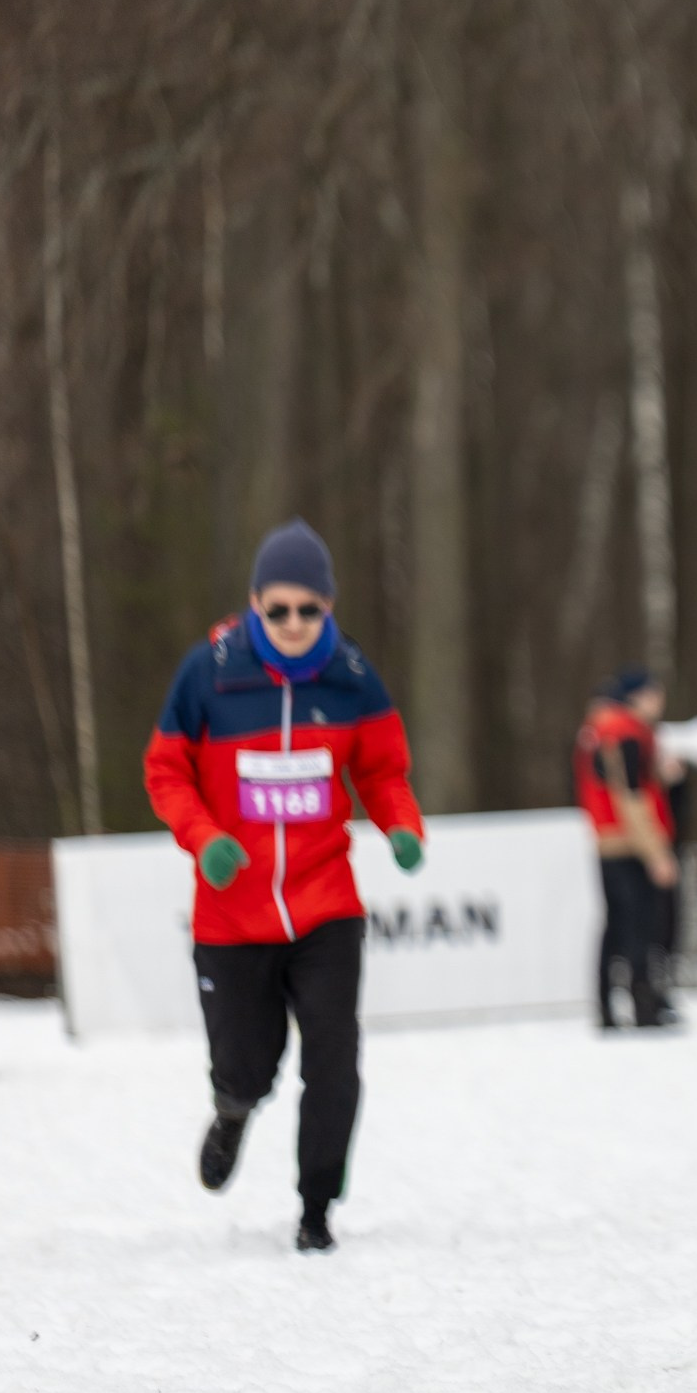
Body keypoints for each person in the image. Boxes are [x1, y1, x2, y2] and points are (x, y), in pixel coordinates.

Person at [144, 521, 425, 1254]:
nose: (295, 623)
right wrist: (206, 841)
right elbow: (166, 771)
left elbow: (383, 770)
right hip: (232, 918)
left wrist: (400, 825)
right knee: (248, 1064)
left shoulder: (354, 679)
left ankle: (315, 1208)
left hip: (325, 903)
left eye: (311, 609)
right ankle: (234, 1109)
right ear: (254, 605)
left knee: (334, 1058)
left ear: (330, 607)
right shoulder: (207, 674)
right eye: (279, 609)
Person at [575, 668, 682, 1029]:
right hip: (630, 842)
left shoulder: (597, 730)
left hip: (606, 839)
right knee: (640, 926)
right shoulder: (626, 732)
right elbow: (631, 796)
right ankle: (643, 1005)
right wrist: (656, 853)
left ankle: (606, 1005)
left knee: (615, 926)